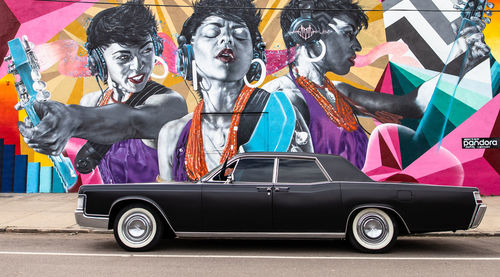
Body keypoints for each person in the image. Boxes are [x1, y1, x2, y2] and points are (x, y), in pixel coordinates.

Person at [262, 0, 490, 169]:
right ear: (308, 34)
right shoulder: (285, 97)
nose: (358, 46)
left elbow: (415, 105)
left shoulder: (339, 91)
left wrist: (461, 54)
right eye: (348, 34)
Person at [17, 0, 188, 184]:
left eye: (146, 50)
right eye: (124, 57)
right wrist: (42, 128)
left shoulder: (170, 103)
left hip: (155, 203)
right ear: (96, 63)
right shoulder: (90, 102)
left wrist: (70, 118)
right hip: (114, 202)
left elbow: (130, 121)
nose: (138, 65)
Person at [157, 0, 310, 181]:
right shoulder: (173, 135)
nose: (227, 39)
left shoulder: (280, 114)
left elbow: (301, 189)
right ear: (188, 53)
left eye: (239, 35)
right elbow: (168, 199)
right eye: (212, 33)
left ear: (255, 54)